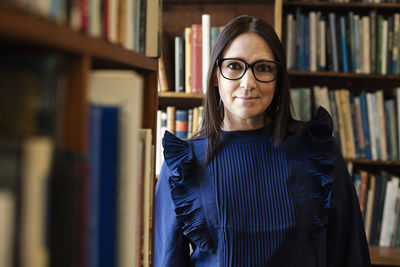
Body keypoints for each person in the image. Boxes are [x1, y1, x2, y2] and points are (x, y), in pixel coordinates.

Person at [155, 15, 371, 267]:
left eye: (263, 68)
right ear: (216, 75)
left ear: (278, 79)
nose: (248, 83)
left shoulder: (318, 153)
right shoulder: (183, 165)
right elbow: (167, 260)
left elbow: (350, 253)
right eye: (234, 66)